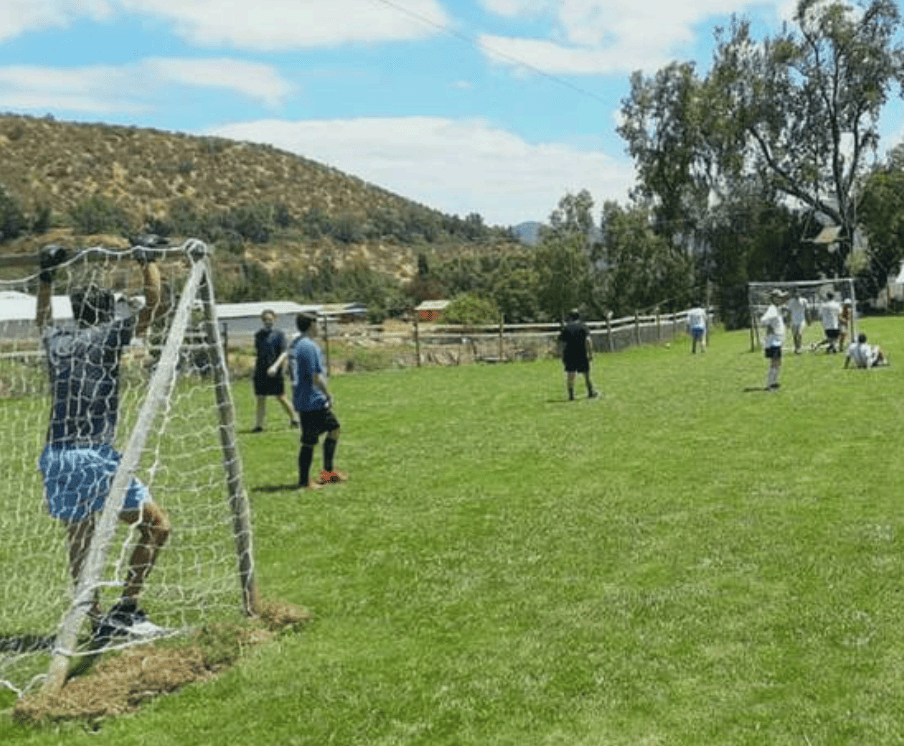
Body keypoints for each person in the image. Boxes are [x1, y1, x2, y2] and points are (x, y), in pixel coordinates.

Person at [36, 244, 171, 644]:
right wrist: (146, 259)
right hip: (93, 453)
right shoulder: (110, 334)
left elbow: (41, 316)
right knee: (158, 525)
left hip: (56, 455)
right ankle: (127, 609)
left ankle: (94, 617)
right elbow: (154, 305)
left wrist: (47, 273)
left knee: (79, 541)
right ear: (108, 312)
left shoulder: (58, 340)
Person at [272, 312, 347, 490]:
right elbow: (315, 376)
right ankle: (307, 480)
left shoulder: (297, 344)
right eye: (318, 323)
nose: (319, 327)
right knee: (311, 440)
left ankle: (327, 472)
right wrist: (327, 394)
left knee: (332, 429)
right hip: (312, 399)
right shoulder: (308, 346)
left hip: (303, 398)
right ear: (312, 325)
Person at [252, 309, 298, 432]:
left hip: (275, 371)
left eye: (270, 319)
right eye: (265, 319)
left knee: (281, 397)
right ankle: (258, 426)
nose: (268, 322)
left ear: (274, 320)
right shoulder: (258, 335)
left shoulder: (279, 334)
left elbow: (284, 352)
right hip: (261, 371)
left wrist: (275, 366)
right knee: (261, 398)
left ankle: (294, 419)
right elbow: (258, 353)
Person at [558, 309, 598, 400]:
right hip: (581, 353)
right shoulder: (583, 327)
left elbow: (561, 343)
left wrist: (561, 354)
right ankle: (590, 392)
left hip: (569, 353)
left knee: (570, 374)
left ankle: (571, 394)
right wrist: (590, 353)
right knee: (586, 374)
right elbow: (588, 340)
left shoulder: (566, 328)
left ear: (570, 317)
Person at [760, 288, 787, 391]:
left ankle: (774, 382)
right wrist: (769, 326)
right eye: (779, 297)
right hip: (773, 339)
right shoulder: (772, 308)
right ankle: (770, 384)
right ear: (774, 298)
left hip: (777, 339)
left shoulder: (776, 308)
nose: (780, 299)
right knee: (774, 361)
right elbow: (763, 320)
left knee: (778, 361)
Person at [787, 289, 809, 354]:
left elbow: (807, 311)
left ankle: (799, 347)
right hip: (793, 321)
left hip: (801, 320)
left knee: (799, 334)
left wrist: (809, 319)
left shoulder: (804, 301)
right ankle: (796, 347)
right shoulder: (790, 302)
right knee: (794, 335)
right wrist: (788, 321)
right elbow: (789, 312)